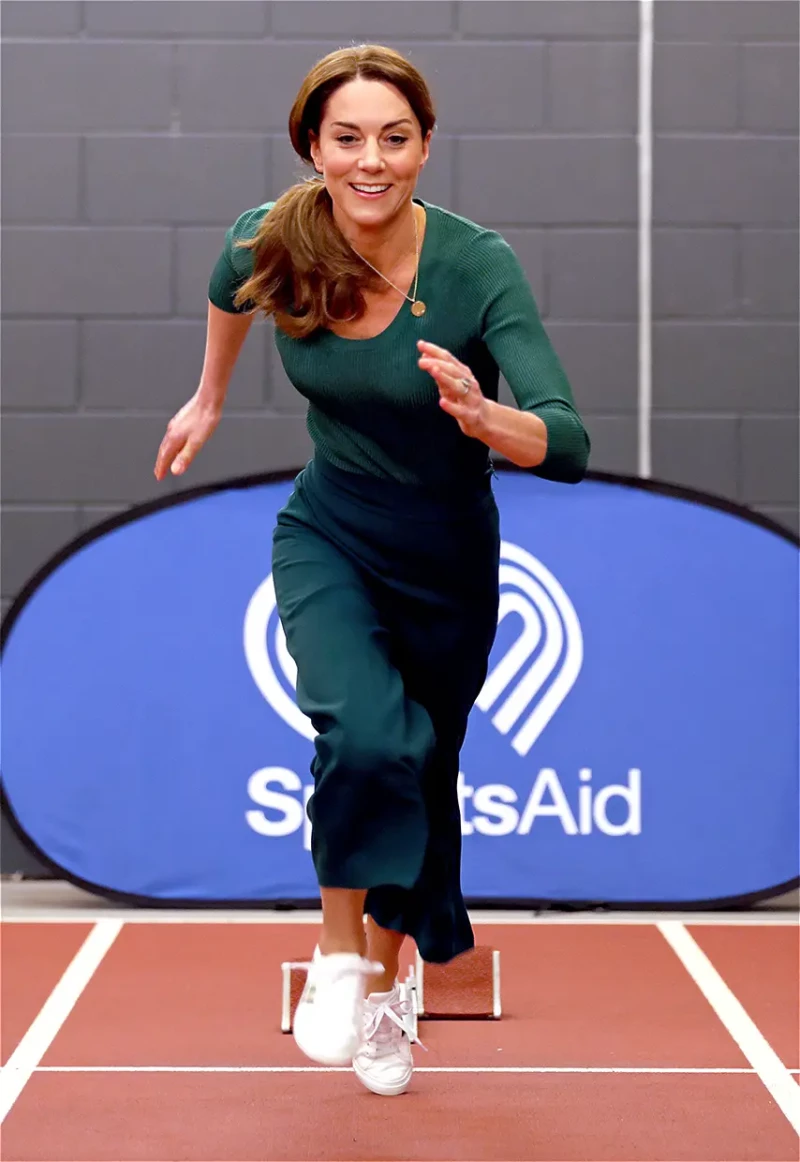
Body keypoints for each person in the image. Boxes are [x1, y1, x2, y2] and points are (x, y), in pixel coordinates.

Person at [154, 44, 590, 1097]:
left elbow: (566, 438)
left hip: (446, 563)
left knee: (421, 773)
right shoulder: (277, 237)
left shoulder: (475, 266)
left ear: (424, 146)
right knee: (363, 732)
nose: (371, 160)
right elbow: (225, 289)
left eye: (394, 138)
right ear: (312, 145)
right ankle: (340, 955)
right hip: (330, 533)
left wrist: (489, 419)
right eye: (347, 137)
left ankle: (392, 989)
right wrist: (209, 396)